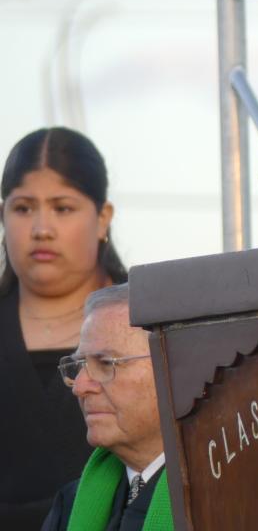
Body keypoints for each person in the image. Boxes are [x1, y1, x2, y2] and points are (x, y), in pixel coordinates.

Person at [0, 127, 127, 529]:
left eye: (63, 208)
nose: (42, 228)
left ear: (102, 217)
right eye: (22, 208)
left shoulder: (148, 324)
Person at [42, 283, 171, 531]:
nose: (79, 387)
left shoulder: (231, 498)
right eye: (80, 364)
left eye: (105, 363)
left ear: (172, 368)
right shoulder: (71, 504)